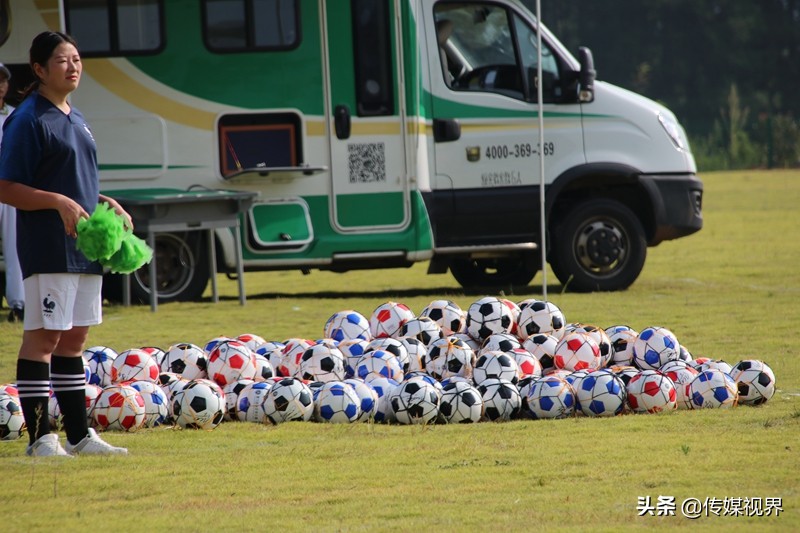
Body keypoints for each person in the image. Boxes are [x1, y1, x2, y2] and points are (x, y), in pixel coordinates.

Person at [0, 31, 133, 456]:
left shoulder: (76, 117)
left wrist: (104, 202)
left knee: (74, 340)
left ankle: (79, 436)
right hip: (49, 247)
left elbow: (74, 183)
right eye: (62, 60)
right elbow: (6, 187)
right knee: (43, 340)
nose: (73, 66)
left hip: (84, 248)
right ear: (38, 70)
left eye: (76, 58)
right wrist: (56, 202)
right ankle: (40, 439)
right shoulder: (27, 118)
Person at [0, 62, 25, 322]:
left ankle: (19, 304)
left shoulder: (16, 115)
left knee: (15, 245)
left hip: (9, 186)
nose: (0, 86)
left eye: (3, 80)